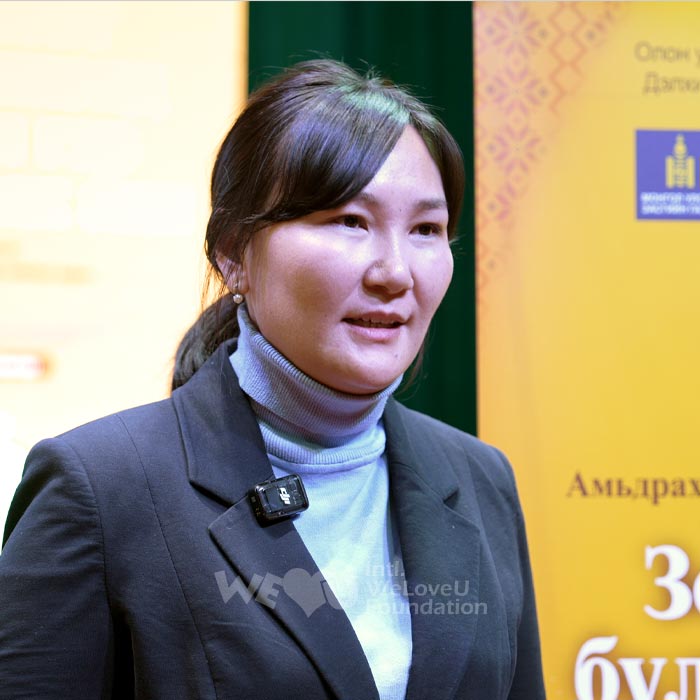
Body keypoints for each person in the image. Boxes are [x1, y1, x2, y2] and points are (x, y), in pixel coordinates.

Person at [0, 60, 545, 699]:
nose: (396, 272)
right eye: (350, 221)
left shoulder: (480, 477)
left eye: (426, 229)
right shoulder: (99, 487)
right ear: (233, 252)